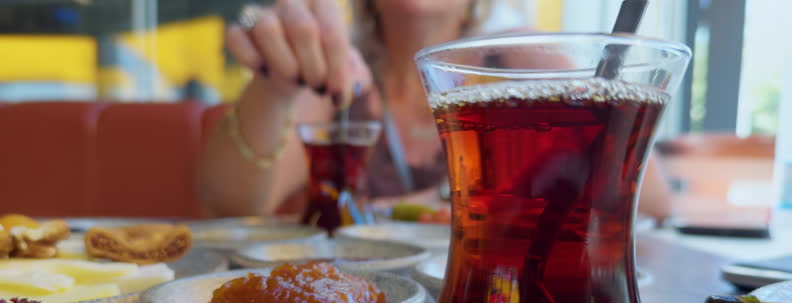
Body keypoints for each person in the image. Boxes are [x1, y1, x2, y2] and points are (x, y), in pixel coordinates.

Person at [200, 0, 673, 221]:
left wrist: (555, 67)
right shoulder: (339, 73)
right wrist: (274, 87)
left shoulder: (523, 61)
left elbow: (650, 203)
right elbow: (232, 206)